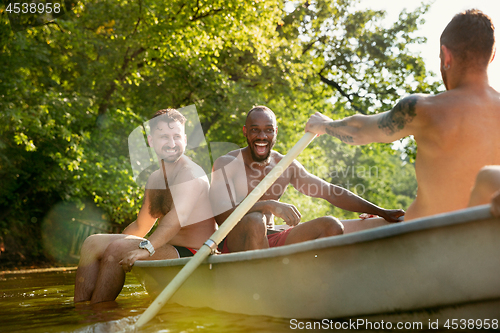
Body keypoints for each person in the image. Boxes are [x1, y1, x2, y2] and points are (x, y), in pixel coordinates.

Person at [305, 9, 500, 221]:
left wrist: (324, 125)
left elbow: (358, 131)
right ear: (493, 54)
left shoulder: (424, 109)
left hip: (425, 240)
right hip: (480, 240)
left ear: (446, 55)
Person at [210, 106, 405, 253]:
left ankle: (313, 287)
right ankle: (262, 286)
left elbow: (331, 193)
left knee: (331, 225)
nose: (262, 136)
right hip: (236, 243)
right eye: (255, 130)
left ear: (275, 132)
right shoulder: (227, 163)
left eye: (268, 130)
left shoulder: (284, 164)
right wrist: (268, 205)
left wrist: (381, 211)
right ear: (245, 131)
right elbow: (221, 216)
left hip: (272, 238)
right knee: (254, 220)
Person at [74, 109, 216, 304]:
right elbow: (141, 226)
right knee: (92, 243)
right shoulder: (155, 178)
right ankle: (81, 313)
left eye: (176, 136)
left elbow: (175, 220)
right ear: (151, 140)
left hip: (193, 251)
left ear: (184, 139)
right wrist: (113, 247)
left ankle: (99, 317)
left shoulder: (190, 174)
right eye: (164, 137)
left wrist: (144, 249)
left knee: (117, 249)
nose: (172, 143)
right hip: (166, 246)